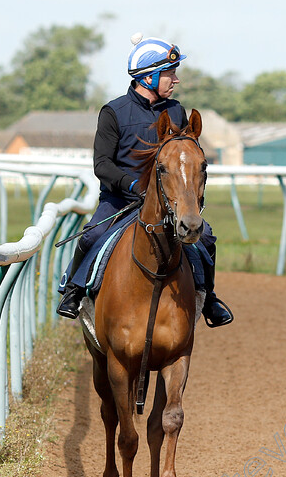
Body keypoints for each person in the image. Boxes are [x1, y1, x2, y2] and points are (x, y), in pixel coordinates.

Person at [57, 33, 233, 327]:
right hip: (120, 201)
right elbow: (102, 164)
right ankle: (73, 291)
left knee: (206, 237)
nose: (175, 80)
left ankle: (210, 298)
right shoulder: (113, 112)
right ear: (148, 76)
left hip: (166, 204)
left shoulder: (175, 110)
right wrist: (134, 186)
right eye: (169, 74)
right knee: (90, 236)